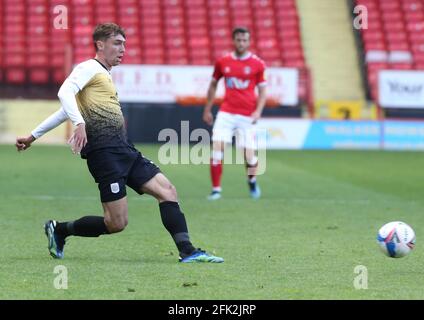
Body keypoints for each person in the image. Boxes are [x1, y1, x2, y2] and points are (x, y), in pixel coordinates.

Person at [15, 23, 223, 263]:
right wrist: (80, 124)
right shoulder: (88, 68)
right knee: (116, 223)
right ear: (100, 45)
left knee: (167, 191)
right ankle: (60, 229)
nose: (122, 49)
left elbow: (64, 111)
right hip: (104, 154)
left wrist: (32, 136)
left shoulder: (104, 75)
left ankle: (188, 251)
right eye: (117, 43)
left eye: (124, 44)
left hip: (124, 150)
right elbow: (64, 93)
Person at [203, 27, 267, 200]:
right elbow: (213, 85)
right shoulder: (223, 62)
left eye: (245, 40)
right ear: (233, 41)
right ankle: (216, 189)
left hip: (247, 115)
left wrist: (258, 111)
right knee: (217, 149)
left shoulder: (258, 64)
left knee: (249, 156)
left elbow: (262, 91)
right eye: (238, 40)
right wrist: (208, 108)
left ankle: (252, 180)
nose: (241, 43)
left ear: (249, 41)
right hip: (226, 113)